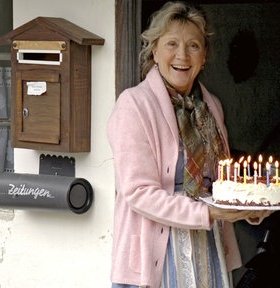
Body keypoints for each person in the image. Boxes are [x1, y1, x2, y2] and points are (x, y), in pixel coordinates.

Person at [107, 2, 271, 287]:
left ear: (204, 56)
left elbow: (221, 183)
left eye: (193, 46)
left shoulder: (210, 107)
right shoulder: (134, 105)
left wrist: (250, 208)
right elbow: (138, 192)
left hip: (207, 246)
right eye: (171, 43)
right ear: (154, 51)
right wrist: (207, 212)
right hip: (158, 251)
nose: (182, 55)